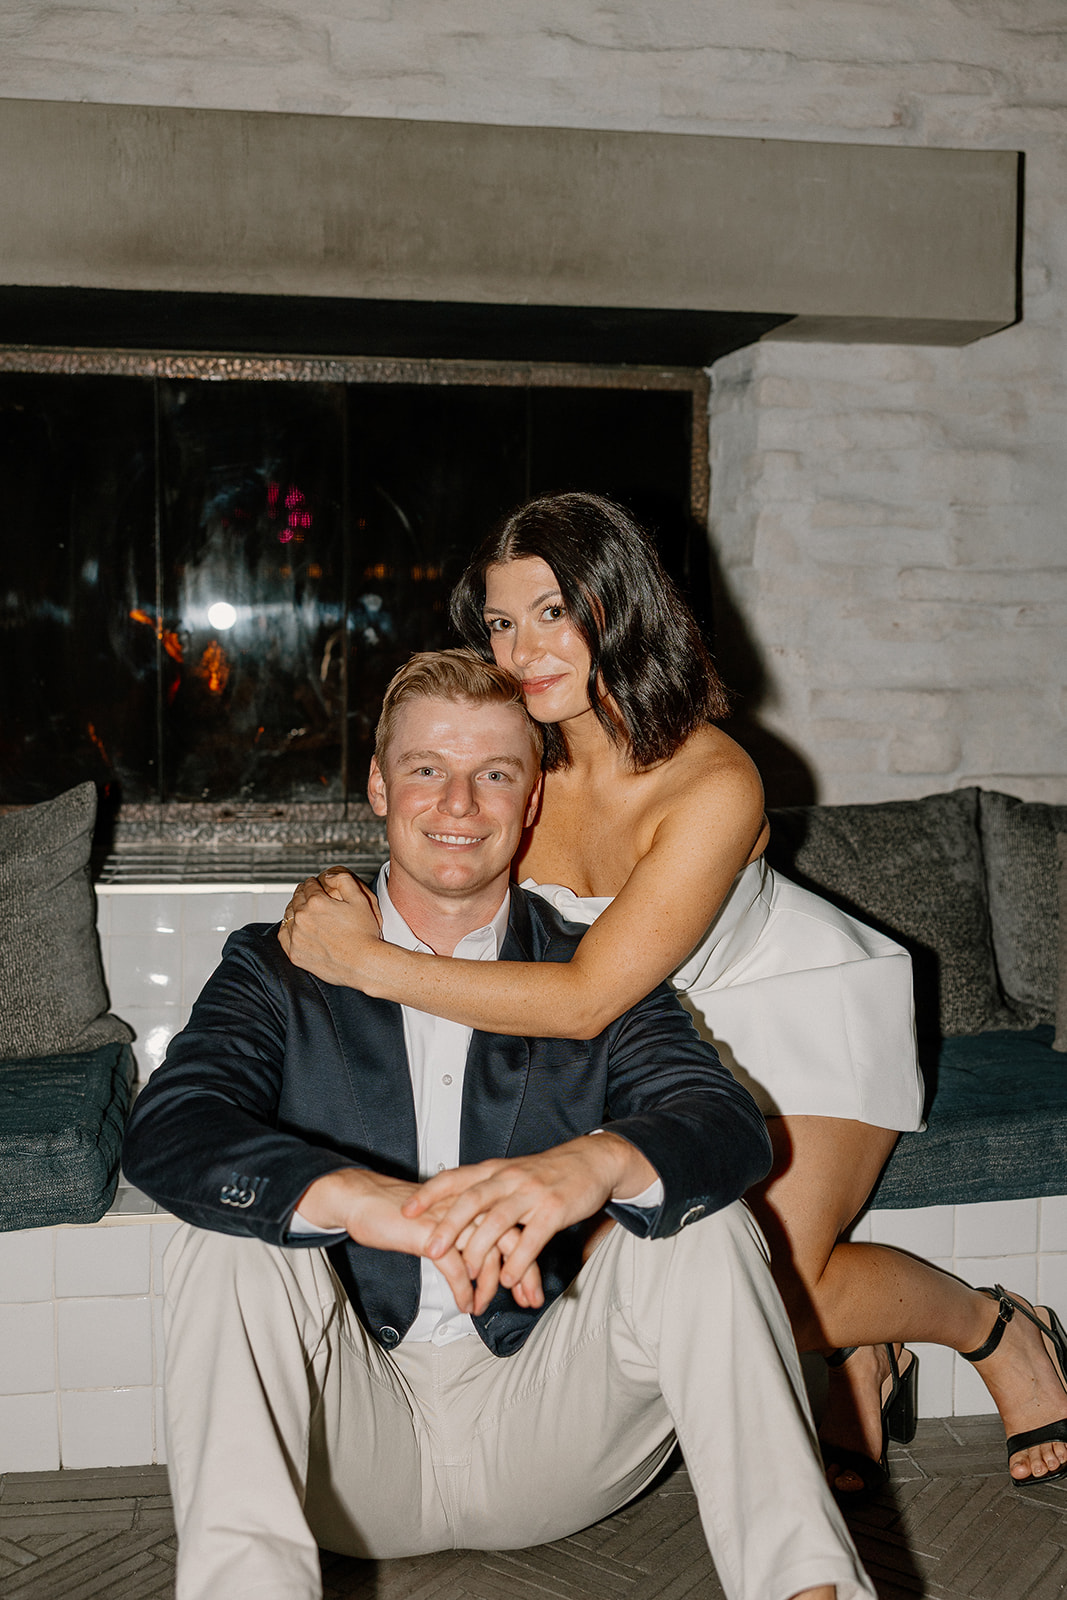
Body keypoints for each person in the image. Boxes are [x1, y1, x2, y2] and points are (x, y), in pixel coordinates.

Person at [279, 493, 1067, 1502]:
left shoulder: (712, 779)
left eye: (552, 610)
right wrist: (330, 905)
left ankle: (993, 1326)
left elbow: (580, 998)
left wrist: (361, 963)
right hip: (655, 1044)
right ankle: (855, 1358)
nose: (522, 649)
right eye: (499, 621)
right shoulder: (523, 766)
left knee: (779, 1284)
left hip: (791, 1015)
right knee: (637, 1286)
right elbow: (434, 849)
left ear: (617, 606)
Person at [122, 649, 874, 1600]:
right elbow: (172, 1126)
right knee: (229, 1237)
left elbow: (721, 1123)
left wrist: (592, 1166)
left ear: (531, 805)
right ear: (378, 787)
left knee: (705, 1225)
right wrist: (360, 1201)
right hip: (350, 1448)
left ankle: (804, 1590)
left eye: (495, 774)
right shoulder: (278, 967)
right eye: (426, 768)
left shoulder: (584, 975)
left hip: (547, 1426)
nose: (457, 804)